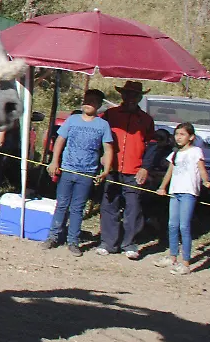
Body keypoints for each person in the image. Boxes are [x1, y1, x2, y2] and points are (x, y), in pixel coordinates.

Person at [44, 89, 115, 257]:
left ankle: (73, 241)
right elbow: (60, 140)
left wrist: (105, 171)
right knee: (61, 203)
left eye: (92, 101)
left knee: (78, 208)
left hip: (87, 172)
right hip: (68, 169)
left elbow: (108, 148)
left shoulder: (102, 125)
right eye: (86, 100)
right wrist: (55, 161)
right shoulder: (73, 120)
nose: (87, 104)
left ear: (98, 105)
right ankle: (53, 236)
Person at [99, 81, 156, 259]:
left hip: (134, 169)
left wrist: (145, 167)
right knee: (109, 205)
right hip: (112, 168)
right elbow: (99, 136)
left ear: (139, 98)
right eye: (128, 94)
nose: (131, 98)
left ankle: (129, 244)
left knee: (134, 207)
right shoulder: (110, 115)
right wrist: (101, 156)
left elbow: (152, 145)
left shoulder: (146, 119)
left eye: (135, 95)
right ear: (122, 95)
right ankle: (109, 243)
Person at [155, 122, 210, 275]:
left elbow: (201, 169)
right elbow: (169, 172)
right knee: (172, 225)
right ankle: (172, 256)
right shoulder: (175, 153)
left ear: (191, 137)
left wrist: (206, 181)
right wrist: (162, 187)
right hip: (175, 192)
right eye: (176, 134)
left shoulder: (196, 151)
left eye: (182, 134)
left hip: (188, 192)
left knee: (184, 226)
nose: (178, 137)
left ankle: (186, 262)